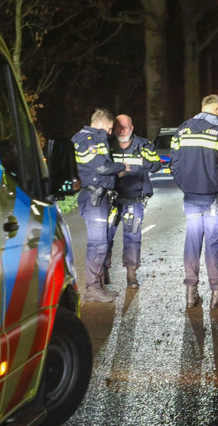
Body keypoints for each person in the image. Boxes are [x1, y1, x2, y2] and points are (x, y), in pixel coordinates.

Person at [171, 94, 218, 309]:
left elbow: (174, 164)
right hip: (213, 196)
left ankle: (191, 294)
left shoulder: (182, 129)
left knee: (191, 243)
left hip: (190, 196)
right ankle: (217, 294)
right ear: (217, 109)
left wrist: (186, 185)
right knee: (212, 244)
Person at [72, 108, 130, 303]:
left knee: (103, 242)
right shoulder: (86, 140)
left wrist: (115, 173)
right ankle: (93, 289)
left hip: (101, 197)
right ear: (103, 124)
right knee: (98, 244)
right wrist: (121, 167)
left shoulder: (97, 139)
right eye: (111, 128)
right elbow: (102, 167)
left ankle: (99, 286)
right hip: (93, 198)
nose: (111, 132)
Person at [108, 114, 161, 288]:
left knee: (133, 238)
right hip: (110, 200)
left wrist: (142, 161)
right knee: (104, 237)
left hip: (134, 200)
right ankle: (103, 270)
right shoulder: (107, 145)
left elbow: (156, 164)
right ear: (114, 129)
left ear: (132, 128)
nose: (122, 131)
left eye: (126, 127)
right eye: (119, 128)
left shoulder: (143, 145)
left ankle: (131, 274)